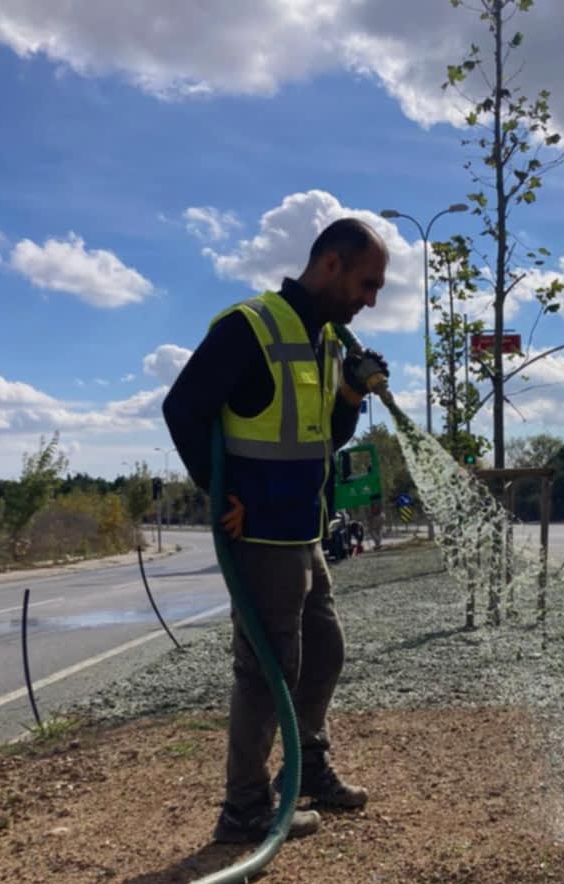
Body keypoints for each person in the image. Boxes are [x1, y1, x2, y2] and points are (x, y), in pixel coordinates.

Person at [162, 218, 390, 844]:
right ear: (331, 265)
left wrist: (348, 396)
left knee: (324, 652)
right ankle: (244, 810)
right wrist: (219, 492)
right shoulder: (250, 327)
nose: (370, 300)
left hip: (304, 535)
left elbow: (323, 442)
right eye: (367, 284)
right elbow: (182, 408)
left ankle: (307, 767)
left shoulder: (323, 340)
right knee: (267, 672)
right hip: (259, 538)